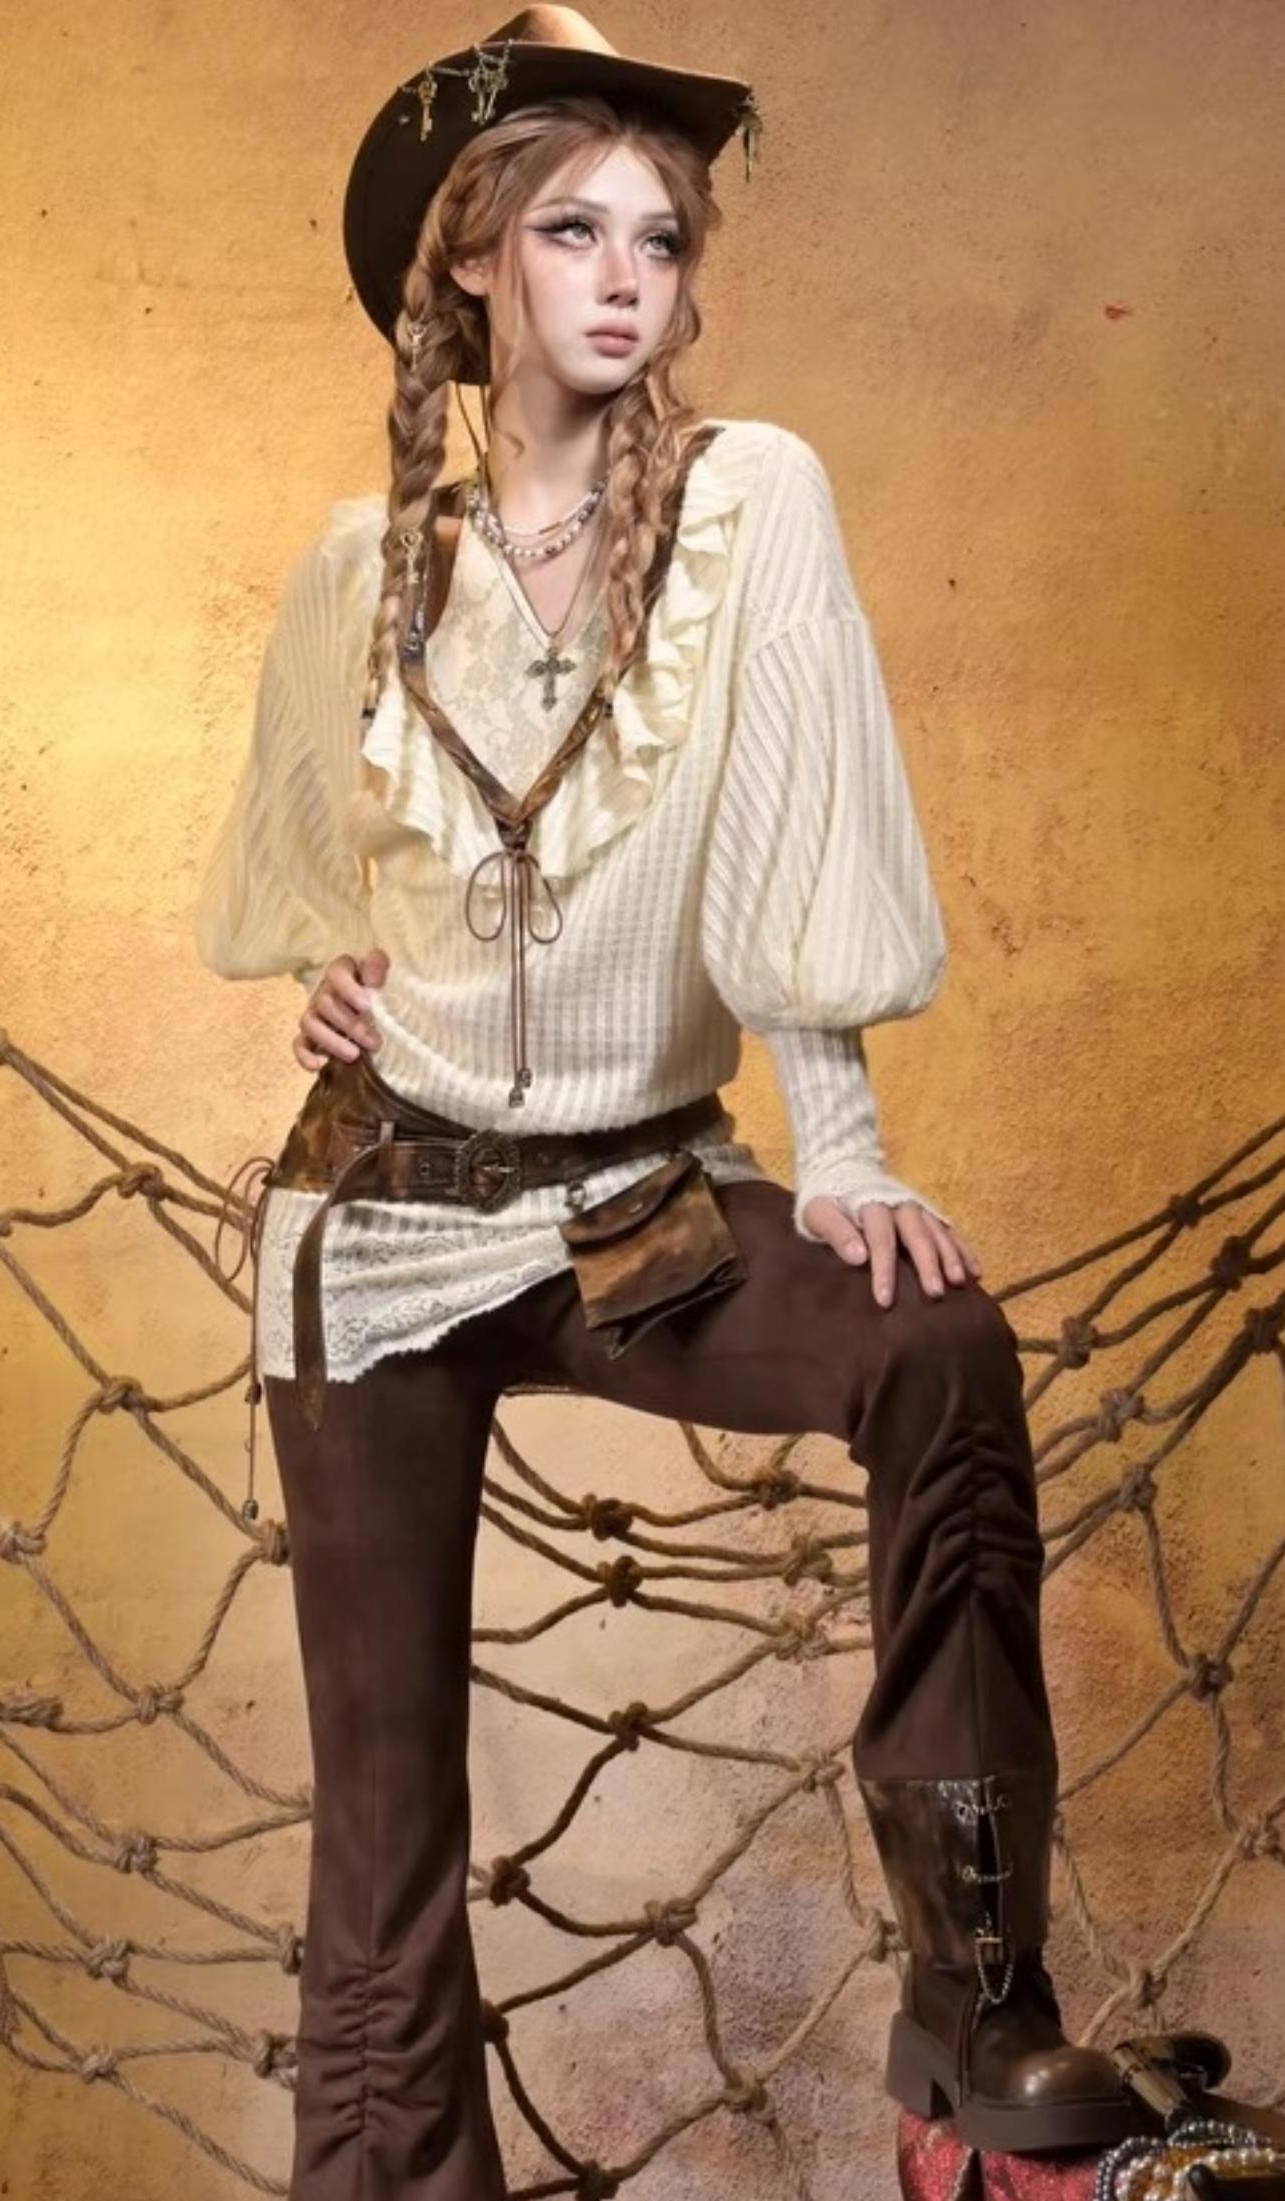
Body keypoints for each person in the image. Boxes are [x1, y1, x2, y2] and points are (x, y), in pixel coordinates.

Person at [193, 9, 1143, 2192]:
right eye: (571, 231)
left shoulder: (747, 501)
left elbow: (794, 827)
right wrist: (339, 964)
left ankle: (976, 2013)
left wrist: (850, 1153)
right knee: (381, 1855)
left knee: (935, 1347)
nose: (627, 276)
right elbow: (312, 872)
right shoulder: (359, 566)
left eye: (659, 238)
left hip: (643, 1212)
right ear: (470, 262)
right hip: (376, 1232)